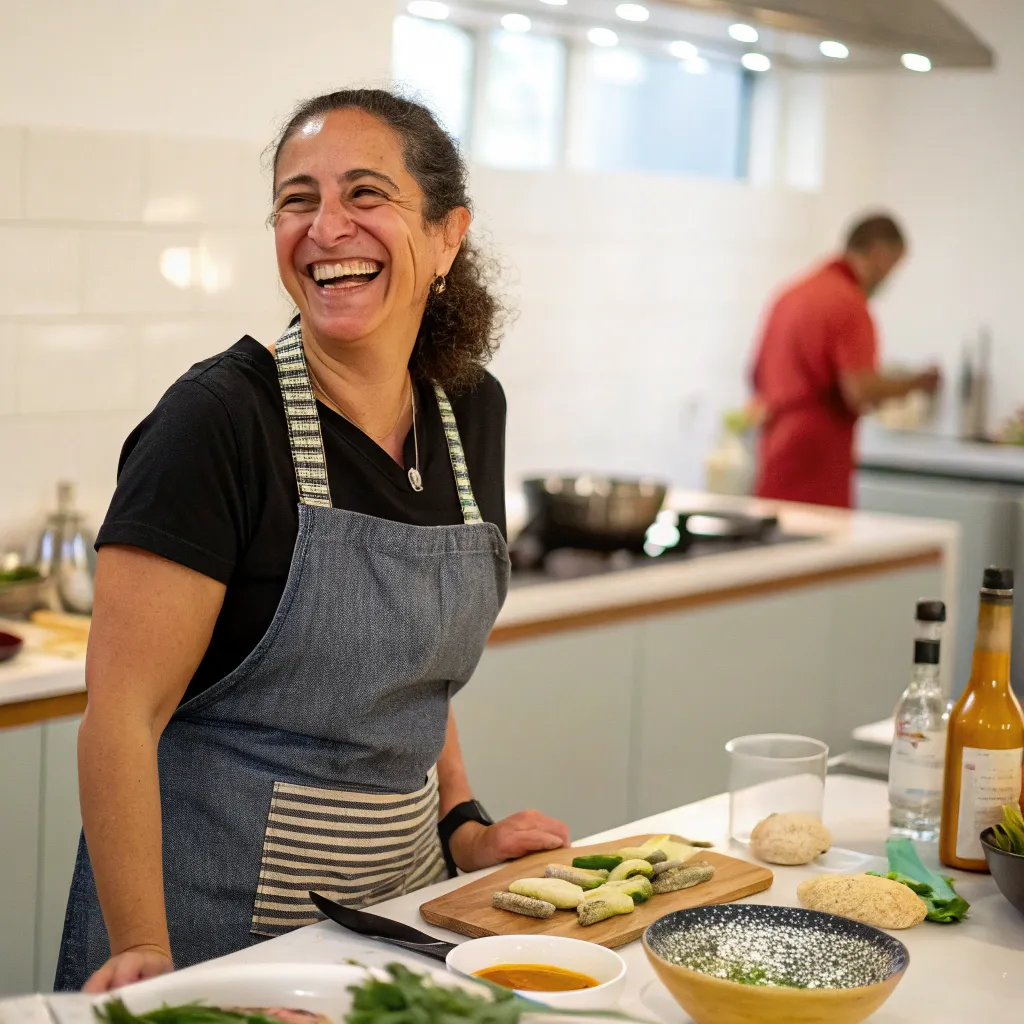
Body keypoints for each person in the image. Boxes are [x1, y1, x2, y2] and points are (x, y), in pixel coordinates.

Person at [55, 89, 570, 993]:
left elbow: (411, 657)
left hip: (395, 921)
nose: (327, 228)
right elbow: (120, 715)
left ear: (448, 235)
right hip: (204, 936)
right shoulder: (217, 422)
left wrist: (465, 824)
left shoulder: (467, 409)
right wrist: (141, 948)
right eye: (298, 200)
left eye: (366, 194)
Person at [750, 214, 940, 508]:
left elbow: (755, 374)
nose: (888, 279)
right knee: (822, 549)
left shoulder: (790, 294)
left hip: (774, 449)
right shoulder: (848, 303)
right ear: (878, 254)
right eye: (893, 267)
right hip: (817, 458)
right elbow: (859, 390)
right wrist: (915, 383)